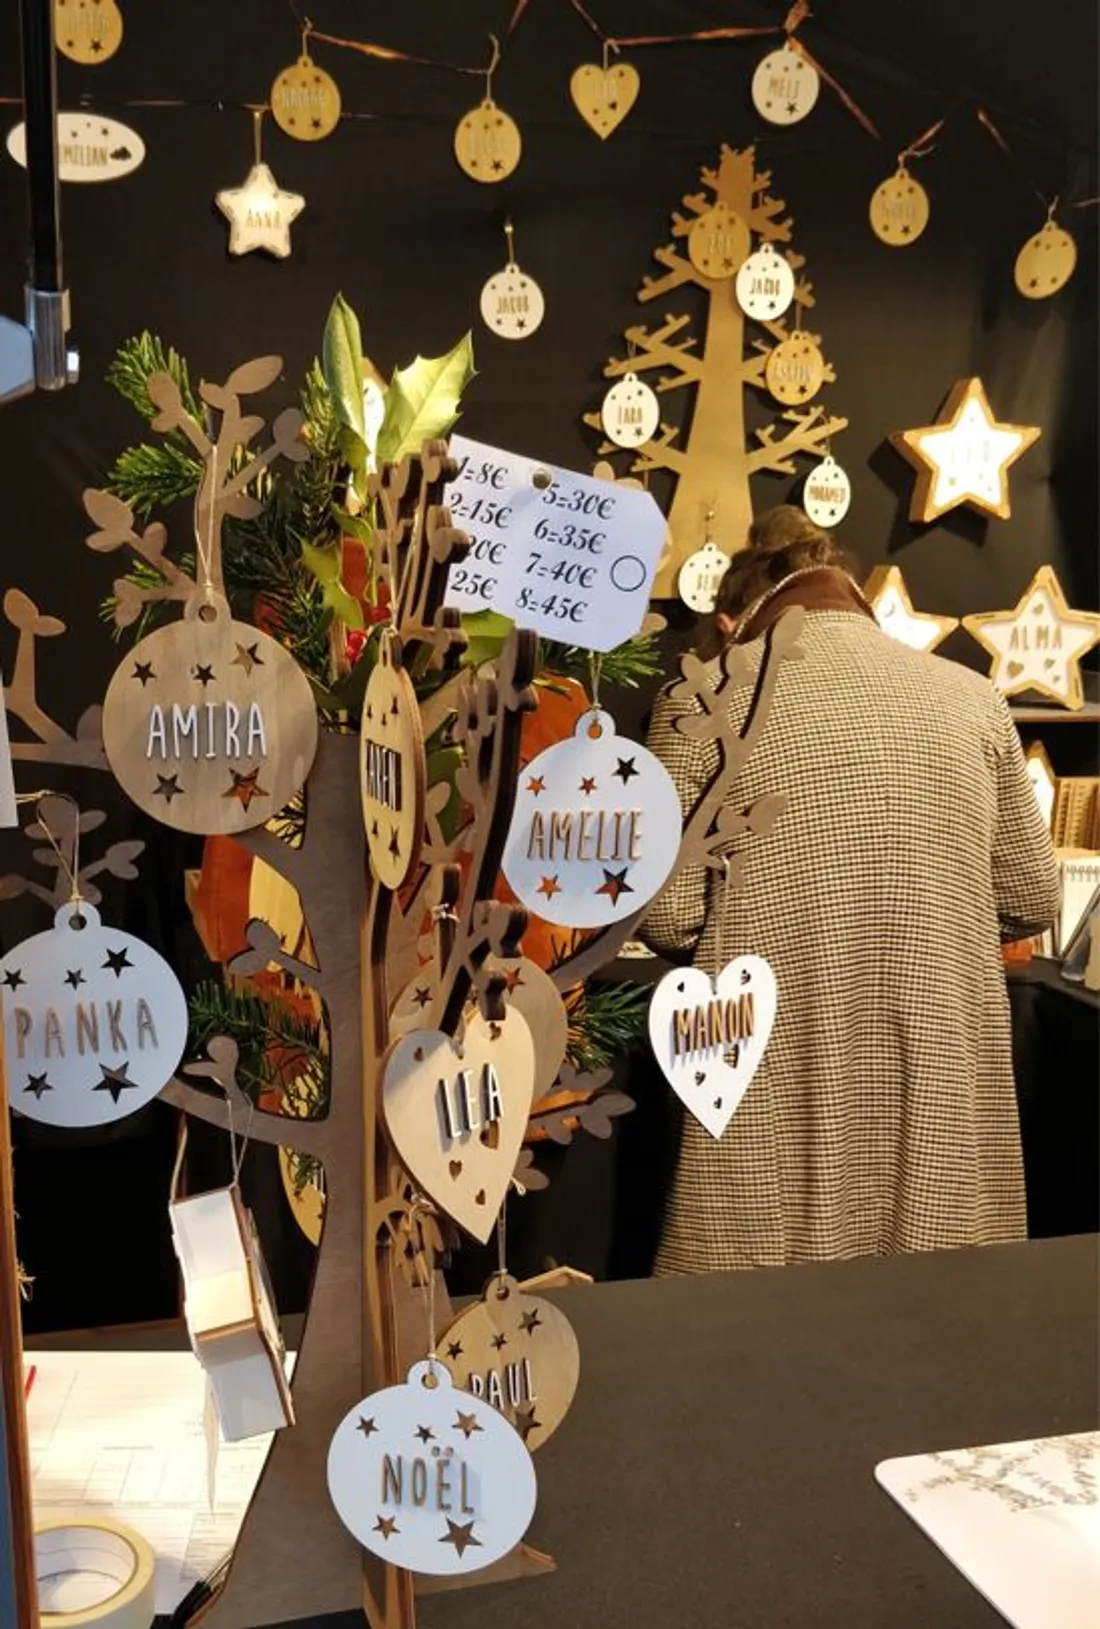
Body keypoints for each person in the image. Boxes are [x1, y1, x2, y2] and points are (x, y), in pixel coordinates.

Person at [641, 506, 1060, 1274]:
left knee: (749, 1334)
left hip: (768, 1072)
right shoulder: (973, 696)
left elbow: (669, 916)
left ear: (738, 618)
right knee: (942, 1323)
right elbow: (1035, 898)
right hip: (936, 1073)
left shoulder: (699, 702)